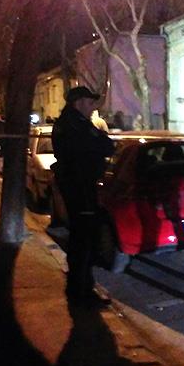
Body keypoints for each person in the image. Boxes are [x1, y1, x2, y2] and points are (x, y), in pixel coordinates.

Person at [51, 86, 115, 306]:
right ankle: (82, 292)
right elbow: (107, 146)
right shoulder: (76, 125)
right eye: (89, 103)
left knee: (81, 238)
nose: (92, 107)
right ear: (78, 103)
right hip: (81, 187)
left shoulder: (68, 123)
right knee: (84, 240)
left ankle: (80, 288)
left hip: (77, 185)